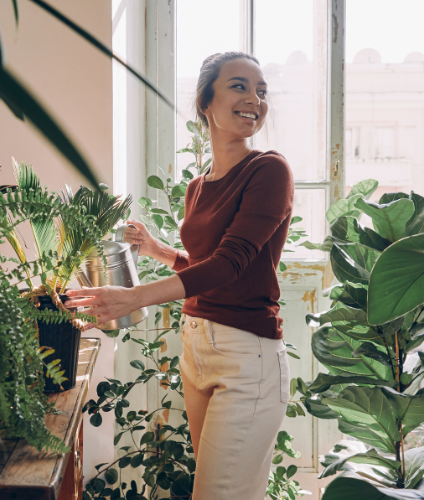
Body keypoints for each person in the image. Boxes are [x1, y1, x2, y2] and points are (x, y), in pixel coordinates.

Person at [65, 51, 294, 500]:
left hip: (247, 356)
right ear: (205, 101)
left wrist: (134, 298)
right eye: (240, 86)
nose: (255, 99)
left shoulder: (268, 169)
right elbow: (210, 271)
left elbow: (232, 262)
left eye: (261, 91)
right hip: (197, 348)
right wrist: (157, 250)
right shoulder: (198, 186)